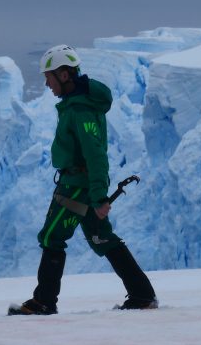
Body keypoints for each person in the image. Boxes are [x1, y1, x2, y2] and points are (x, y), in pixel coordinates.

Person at [9, 45, 158, 315]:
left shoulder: (82, 111)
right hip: (82, 186)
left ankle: (44, 301)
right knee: (104, 239)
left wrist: (100, 196)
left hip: (76, 188)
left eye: (49, 76)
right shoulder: (76, 106)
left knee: (53, 237)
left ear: (64, 75)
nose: (47, 83)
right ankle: (142, 295)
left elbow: (96, 155)